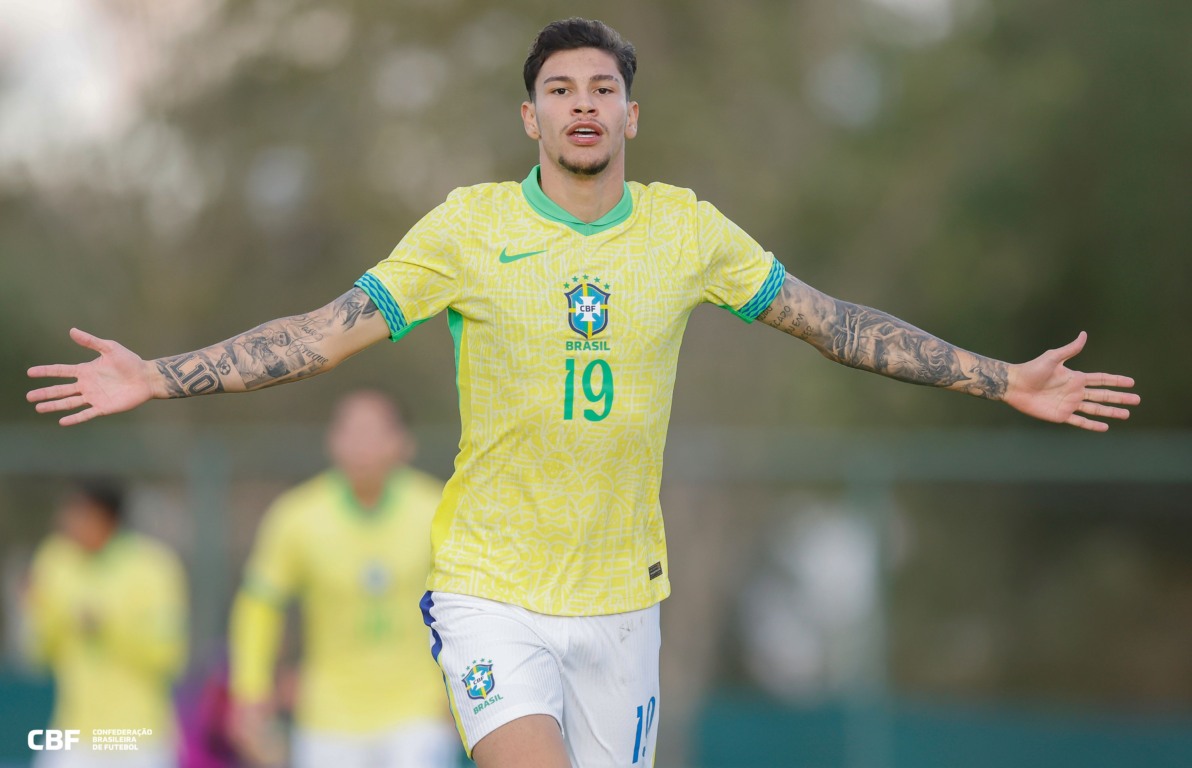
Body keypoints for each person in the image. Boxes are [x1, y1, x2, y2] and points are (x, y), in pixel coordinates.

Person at [26, 17, 1140, 768]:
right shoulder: (468, 229)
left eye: (603, 89)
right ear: (530, 118)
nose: (582, 106)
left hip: (622, 599)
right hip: (489, 589)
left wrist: (1003, 379)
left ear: (632, 115)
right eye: (558, 91)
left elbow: (829, 322)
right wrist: (156, 375)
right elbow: (321, 336)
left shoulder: (687, 231)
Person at [225, 390, 457, 768]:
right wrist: (250, 688)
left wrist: (459, 688)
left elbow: (467, 604)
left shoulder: (436, 510)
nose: (361, 445)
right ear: (332, 441)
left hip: (419, 713)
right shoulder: (297, 516)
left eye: (374, 432)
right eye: (350, 431)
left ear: (403, 443)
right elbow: (260, 604)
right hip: (326, 718)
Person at [23, 481, 188, 767]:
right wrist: (37, 612)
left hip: (137, 734)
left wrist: (105, 627)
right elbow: (38, 653)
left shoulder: (153, 566)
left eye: (81, 515)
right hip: (74, 732)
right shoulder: (55, 560)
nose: (70, 524)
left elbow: (168, 656)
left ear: (107, 518)